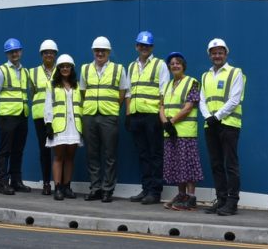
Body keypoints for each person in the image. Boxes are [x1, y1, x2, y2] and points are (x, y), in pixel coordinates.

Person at [80, 36, 129, 203]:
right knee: (92, 154)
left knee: (110, 155)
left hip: (109, 116)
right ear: (93, 52)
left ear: (108, 52)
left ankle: (108, 189)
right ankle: (95, 188)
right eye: (97, 50)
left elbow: (123, 93)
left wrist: (113, 108)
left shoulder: (118, 69)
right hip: (90, 116)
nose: (100, 53)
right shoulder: (85, 69)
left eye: (103, 51)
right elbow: (83, 92)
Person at [199, 38, 246, 216]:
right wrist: (208, 117)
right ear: (209, 55)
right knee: (216, 164)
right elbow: (202, 100)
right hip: (210, 124)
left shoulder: (235, 73)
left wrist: (217, 117)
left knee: (231, 165)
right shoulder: (205, 75)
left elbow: (235, 99)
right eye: (214, 52)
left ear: (226, 54)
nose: (217, 55)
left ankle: (232, 203)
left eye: (220, 52)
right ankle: (221, 200)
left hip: (229, 125)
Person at [126, 30, 170, 205]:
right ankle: (146, 189)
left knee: (155, 154)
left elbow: (163, 92)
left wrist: (161, 115)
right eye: (141, 45)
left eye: (147, 45)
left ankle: (155, 192)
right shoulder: (131, 66)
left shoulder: (160, 65)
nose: (144, 48)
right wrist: (128, 114)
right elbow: (129, 92)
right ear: (137, 46)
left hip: (153, 116)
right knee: (142, 154)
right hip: (136, 116)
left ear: (152, 47)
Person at [159, 52, 203, 210]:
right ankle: (181, 195)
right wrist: (165, 123)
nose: (175, 65)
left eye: (178, 63)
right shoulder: (167, 85)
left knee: (188, 165)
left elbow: (189, 106)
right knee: (177, 165)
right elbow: (161, 106)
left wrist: (171, 121)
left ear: (183, 66)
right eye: (172, 63)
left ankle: (191, 198)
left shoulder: (192, 82)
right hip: (171, 132)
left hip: (185, 132)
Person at [0, 38, 31, 195]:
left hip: (22, 115)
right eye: (11, 52)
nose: (14, 54)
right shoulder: (1, 71)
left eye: (17, 51)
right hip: (7, 116)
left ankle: (16, 181)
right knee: (5, 150)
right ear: (7, 54)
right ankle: (3, 183)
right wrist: (2, 108)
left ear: (20, 52)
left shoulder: (25, 72)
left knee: (18, 150)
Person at [43, 54, 82, 201]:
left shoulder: (77, 85)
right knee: (59, 157)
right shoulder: (52, 85)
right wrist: (48, 124)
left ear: (72, 69)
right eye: (62, 67)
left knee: (70, 158)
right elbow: (48, 105)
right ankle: (58, 188)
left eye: (68, 66)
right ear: (58, 69)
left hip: (74, 126)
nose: (65, 69)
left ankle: (67, 187)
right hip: (59, 127)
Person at [29, 39, 58, 195]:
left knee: (59, 150)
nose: (48, 55)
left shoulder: (61, 70)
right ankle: (46, 183)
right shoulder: (33, 72)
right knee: (44, 150)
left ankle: (60, 183)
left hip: (57, 116)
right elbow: (32, 92)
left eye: (51, 53)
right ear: (41, 55)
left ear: (55, 55)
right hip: (40, 116)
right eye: (46, 53)